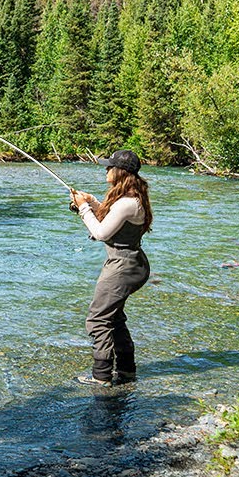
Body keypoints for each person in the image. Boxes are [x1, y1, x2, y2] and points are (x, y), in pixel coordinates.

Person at [69, 150, 152, 387]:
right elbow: (110, 217)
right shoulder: (130, 197)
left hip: (122, 268)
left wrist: (83, 208)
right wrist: (92, 202)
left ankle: (102, 375)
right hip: (131, 264)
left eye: (109, 166)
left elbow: (101, 233)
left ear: (120, 172)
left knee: (97, 320)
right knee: (113, 318)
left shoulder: (127, 202)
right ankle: (126, 370)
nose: (106, 169)